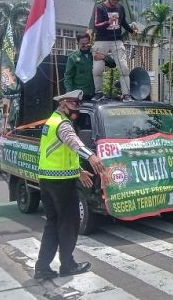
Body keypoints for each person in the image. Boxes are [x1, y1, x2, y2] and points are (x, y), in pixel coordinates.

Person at [34, 90, 105, 279]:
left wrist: (78, 171)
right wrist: (91, 156)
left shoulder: (51, 121)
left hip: (48, 179)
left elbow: (58, 152)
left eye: (79, 104)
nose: (77, 107)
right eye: (73, 103)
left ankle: (42, 267)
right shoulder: (62, 124)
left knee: (53, 223)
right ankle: (67, 265)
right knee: (69, 223)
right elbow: (73, 143)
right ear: (63, 103)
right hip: (60, 183)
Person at [92, 0, 138, 102]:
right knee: (97, 69)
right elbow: (96, 25)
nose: (116, 1)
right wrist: (108, 22)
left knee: (124, 68)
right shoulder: (100, 8)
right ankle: (99, 92)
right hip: (101, 40)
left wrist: (132, 31)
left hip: (117, 40)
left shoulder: (120, 8)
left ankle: (126, 94)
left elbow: (123, 23)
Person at [64, 33, 95, 100]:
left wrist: (102, 56)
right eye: (83, 44)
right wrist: (69, 92)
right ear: (77, 44)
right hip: (79, 94)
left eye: (87, 43)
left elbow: (112, 64)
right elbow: (68, 76)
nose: (86, 45)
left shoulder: (95, 53)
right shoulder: (73, 57)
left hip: (95, 93)